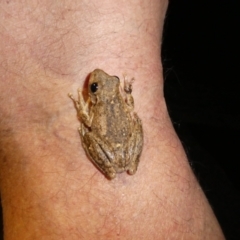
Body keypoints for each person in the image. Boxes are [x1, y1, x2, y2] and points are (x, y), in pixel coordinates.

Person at [0, 0, 225, 239]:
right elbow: (129, 109)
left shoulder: (93, 107)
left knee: (75, 138)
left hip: (109, 146)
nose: (96, 80)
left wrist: (78, 105)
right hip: (127, 149)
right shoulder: (120, 99)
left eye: (96, 86)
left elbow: (87, 120)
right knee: (140, 121)